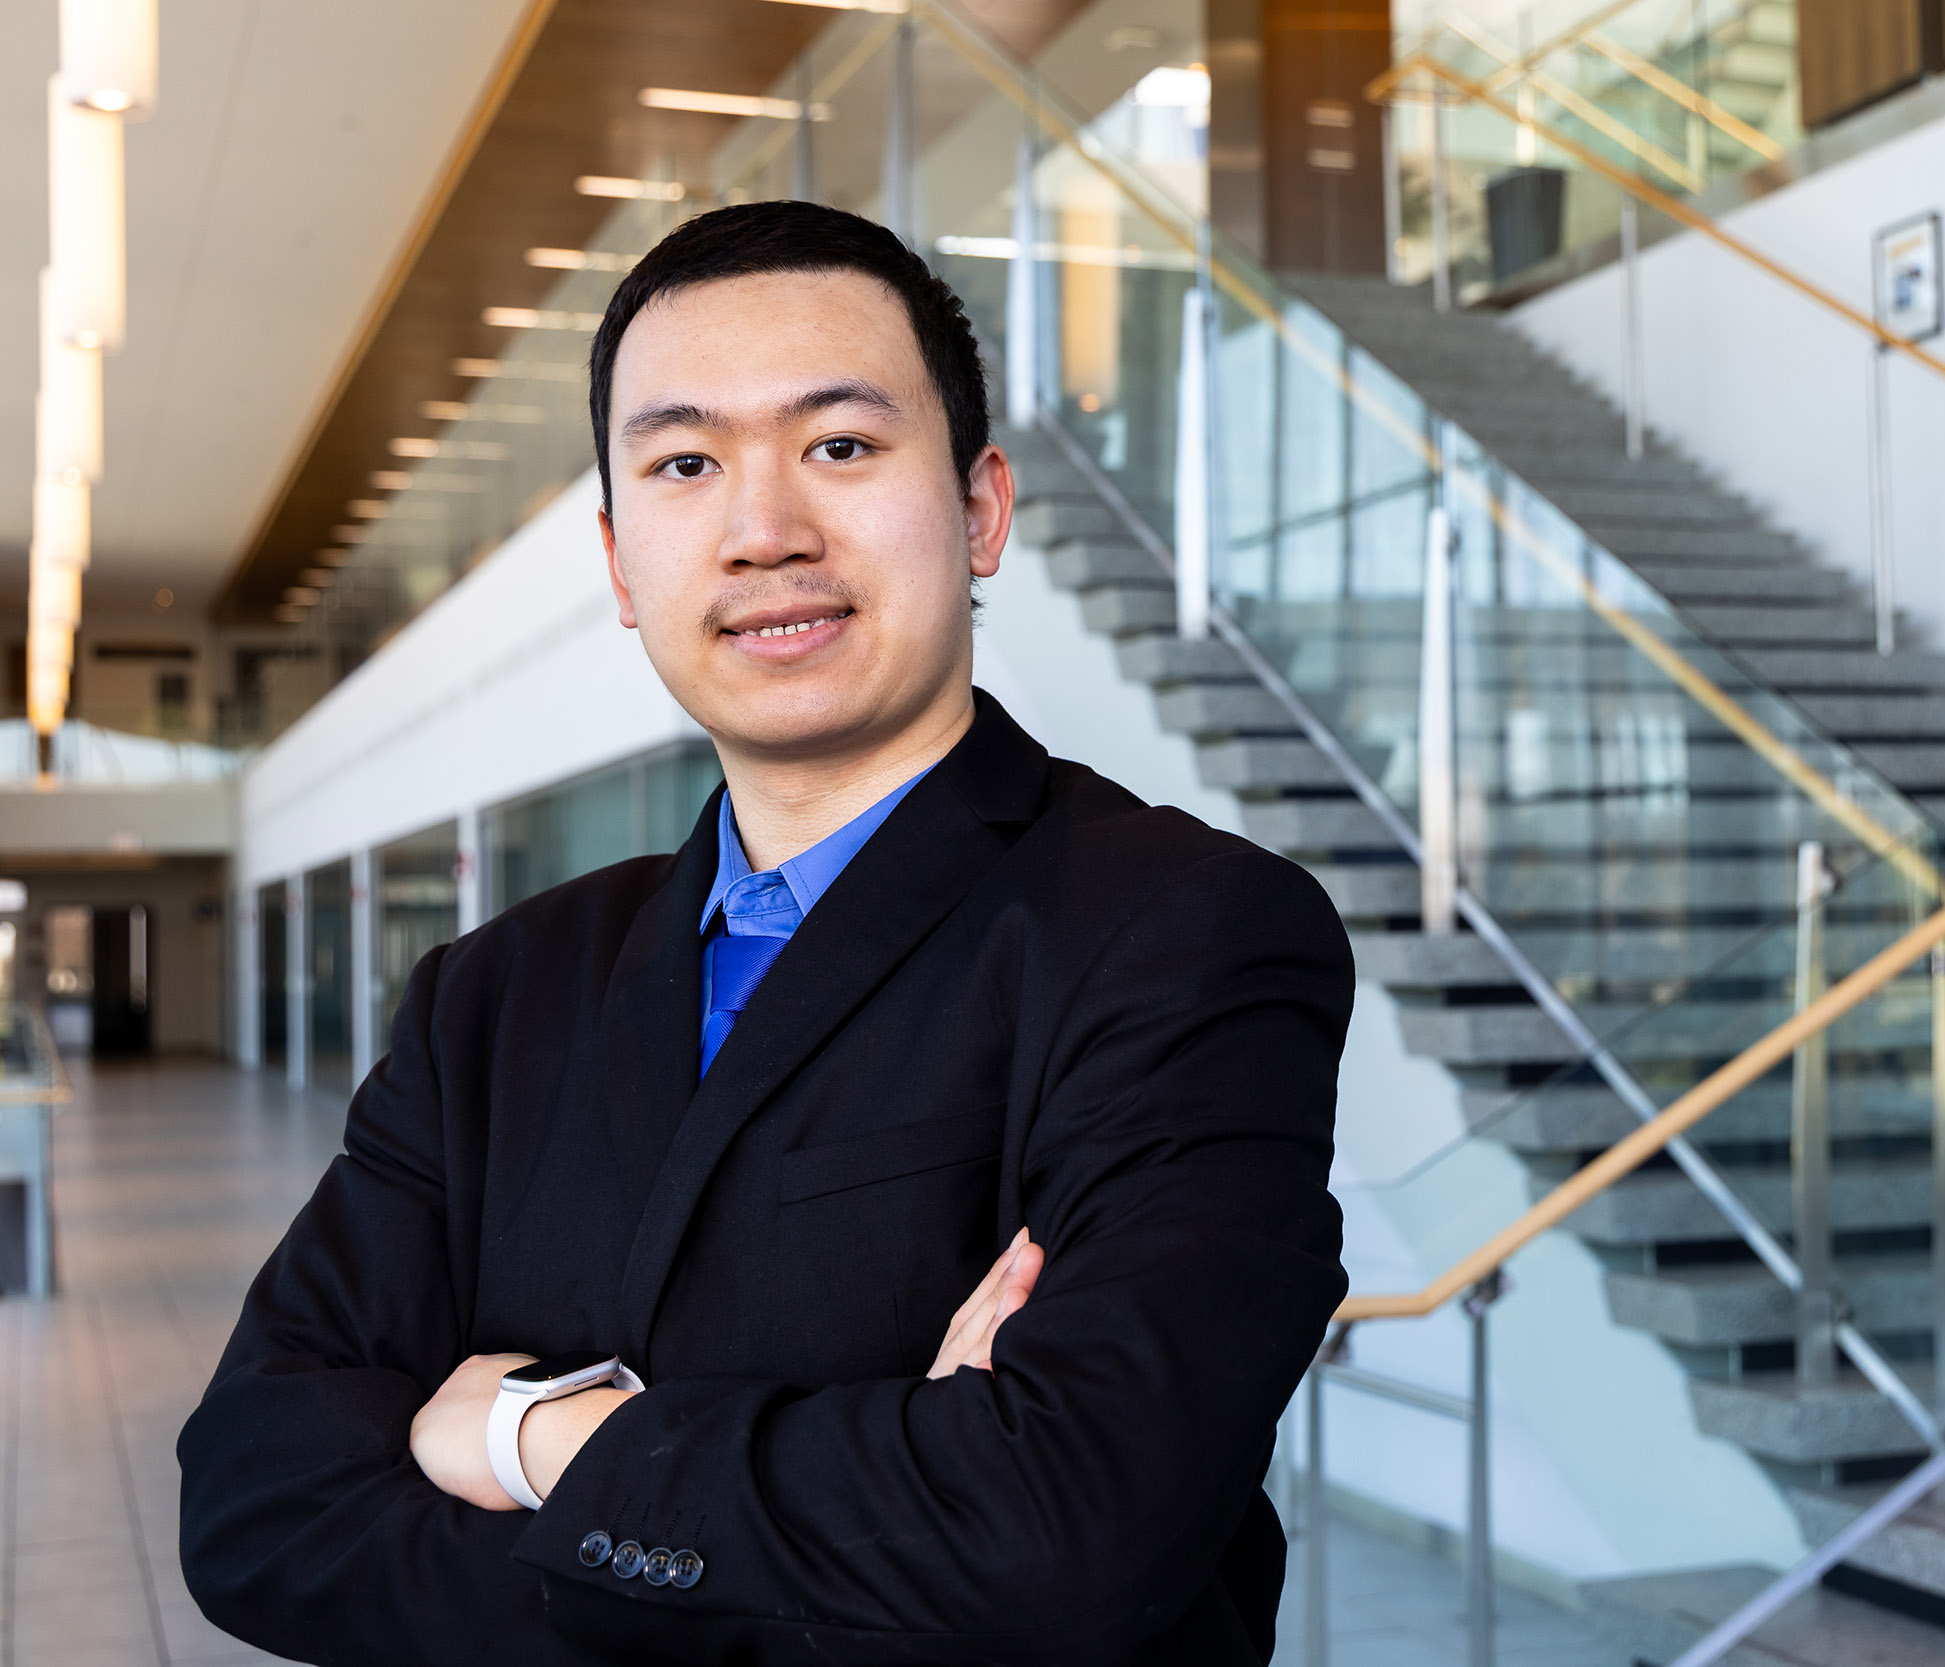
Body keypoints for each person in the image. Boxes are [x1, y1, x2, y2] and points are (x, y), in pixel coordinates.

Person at [177, 201, 1354, 1665]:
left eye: (841, 445)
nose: (765, 532)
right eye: (686, 464)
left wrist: (534, 1438)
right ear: (621, 565)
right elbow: (254, 1499)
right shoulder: (492, 995)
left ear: (980, 509)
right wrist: (882, 1507)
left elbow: (1073, 1532)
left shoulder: (1185, 934)